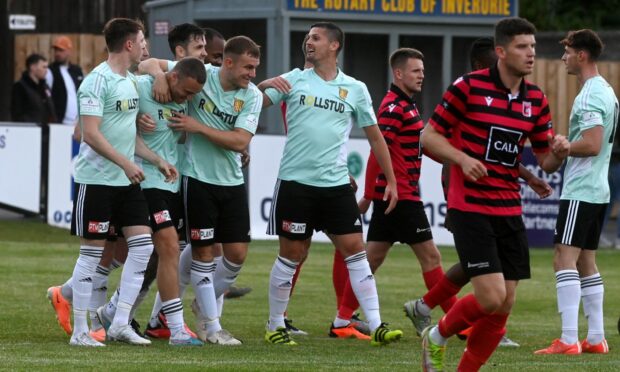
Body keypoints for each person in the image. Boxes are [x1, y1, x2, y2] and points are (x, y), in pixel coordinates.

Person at [419, 17, 569, 371]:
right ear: (501, 52)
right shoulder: (468, 88)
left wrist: (558, 153)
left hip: (508, 208)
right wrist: (460, 158)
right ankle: (438, 335)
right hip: (470, 205)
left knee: (505, 304)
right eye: (522, 47)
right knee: (491, 295)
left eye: (532, 46)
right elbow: (428, 137)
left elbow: (546, 161)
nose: (530, 54)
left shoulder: (536, 99)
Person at [261, 22, 403, 346]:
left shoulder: (355, 88)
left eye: (316, 38)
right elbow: (252, 103)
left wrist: (391, 180)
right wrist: (265, 83)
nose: (308, 43)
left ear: (334, 45)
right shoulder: (293, 79)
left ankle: (377, 324)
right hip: (296, 183)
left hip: (336, 185)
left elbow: (376, 137)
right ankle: (274, 326)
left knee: (356, 252)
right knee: (291, 254)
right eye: (307, 38)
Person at [140, 35, 263, 345]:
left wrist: (198, 127)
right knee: (203, 253)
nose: (252, 74)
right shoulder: (201, 74)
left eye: (256, 68)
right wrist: (158, 77)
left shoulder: (252, 96)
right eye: (248, 67)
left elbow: (239, 141)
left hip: (232, 181)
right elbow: (147, 63)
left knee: (236, 256)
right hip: (196, 179)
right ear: (229, 62)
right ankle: (211, 325)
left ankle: (198, 304)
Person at [330, 48, 457, 341]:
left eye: (422, 71)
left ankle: (341, 320)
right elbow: (379, 150)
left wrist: (454, 158)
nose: (421, 75)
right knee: (431, 256)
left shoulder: (407, 105)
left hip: (396, 193)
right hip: (400, 195)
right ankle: (458, 321)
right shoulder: (393, 107)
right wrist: (371, 193)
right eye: (416, 71)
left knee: (371, 258)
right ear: (398, 74)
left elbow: (417, 146)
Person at [67, 18, 174, 347]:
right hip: (97, 181)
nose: (146, 47)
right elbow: (90, 134)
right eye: (142, 41)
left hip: (126, 182)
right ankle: (80, 331)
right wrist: (127, 163)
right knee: (90, 254)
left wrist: (156, 159)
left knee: (142, 248)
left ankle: (119, 323)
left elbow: (129, 137)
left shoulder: (129, 80)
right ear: (129, 44)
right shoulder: (97, 81)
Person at [96, 57, 207, 347]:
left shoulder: (185, 98)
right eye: (187, 92)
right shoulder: (142, 86)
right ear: (172, 77)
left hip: (172, 182)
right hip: (145, 183)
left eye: (194, 94)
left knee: (151, 255)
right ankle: (176, 329)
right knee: (168, 246)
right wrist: (134, 120)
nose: (189, 98)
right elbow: (113, 115)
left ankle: (106, 309)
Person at [535, 29, 617, 355]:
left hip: (581, 189)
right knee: (586, 262)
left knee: (563, 259)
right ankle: (596, 338)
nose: (563, 58)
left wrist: (567, 145)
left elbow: (593, 144)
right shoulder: (606, 91)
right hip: (598, 189)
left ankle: (569, 339)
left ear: (581, 55)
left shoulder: (589, 95)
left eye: (567, 52)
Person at [46, 36, 84, 126]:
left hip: (77, 123)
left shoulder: (77, 71)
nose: (57, 53)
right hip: (60, 123)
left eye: (61, 50)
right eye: (56, 50)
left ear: (69, 51)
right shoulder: (50, 71)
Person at [11, 53, 57, 124]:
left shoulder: (45, 87)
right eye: (43, 67)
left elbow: (51, 109)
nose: (46, 70)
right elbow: (17, 113)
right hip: (30, 130)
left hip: (47, 130)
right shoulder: (20, 87)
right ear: (33, 67)